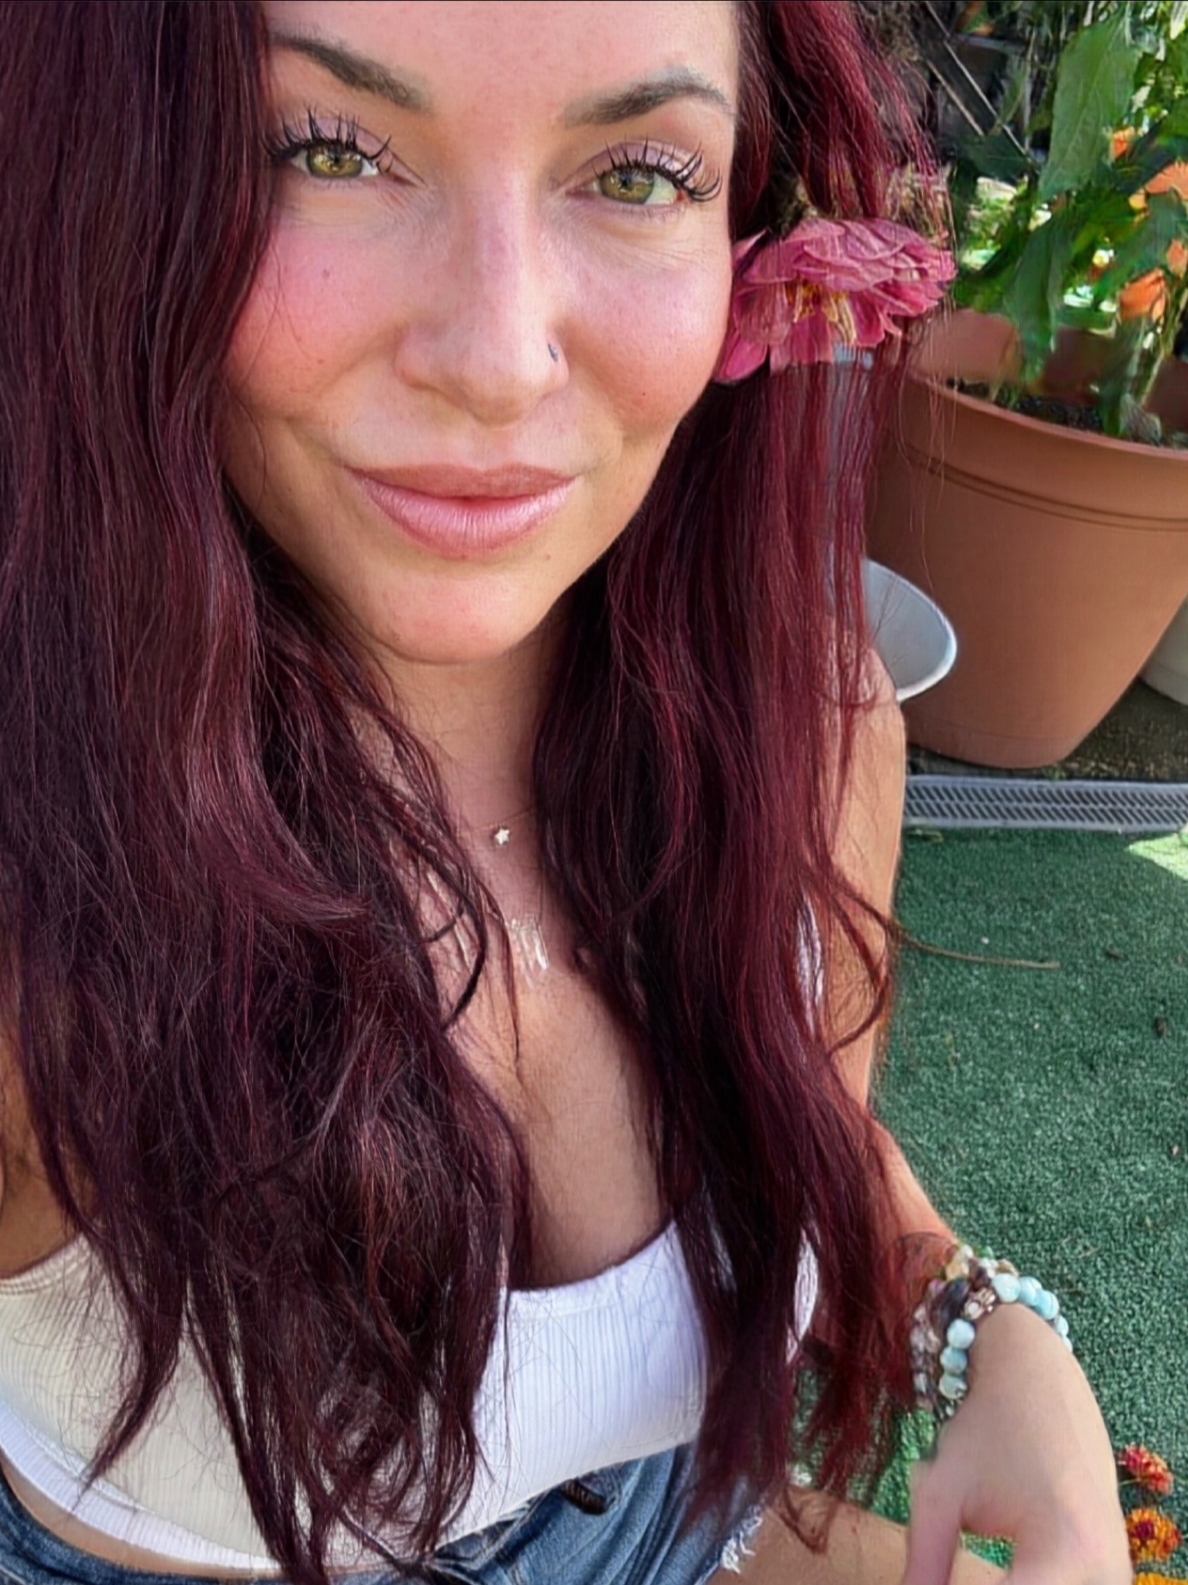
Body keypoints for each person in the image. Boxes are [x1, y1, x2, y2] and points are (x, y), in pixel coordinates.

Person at [0, 3, 1130, 1583]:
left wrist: (984, 1332)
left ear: (754, 233)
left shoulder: (808, 721)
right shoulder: (44, 880)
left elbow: (801, 1122)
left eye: (639, 170)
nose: (497, 356)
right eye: (329, 149)